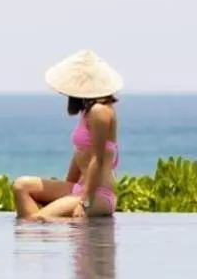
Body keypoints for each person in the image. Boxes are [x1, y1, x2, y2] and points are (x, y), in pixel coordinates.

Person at [13, 49, 122, 220]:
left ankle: (42, 229)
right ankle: (39, 232)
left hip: (98, 194)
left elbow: (98, 159)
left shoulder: (100, 111)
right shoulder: (87, 111)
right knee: (21, 186)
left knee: (38, 219)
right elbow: (81, 153)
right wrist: (66, 186)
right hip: (80, 188)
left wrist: (85, 201)